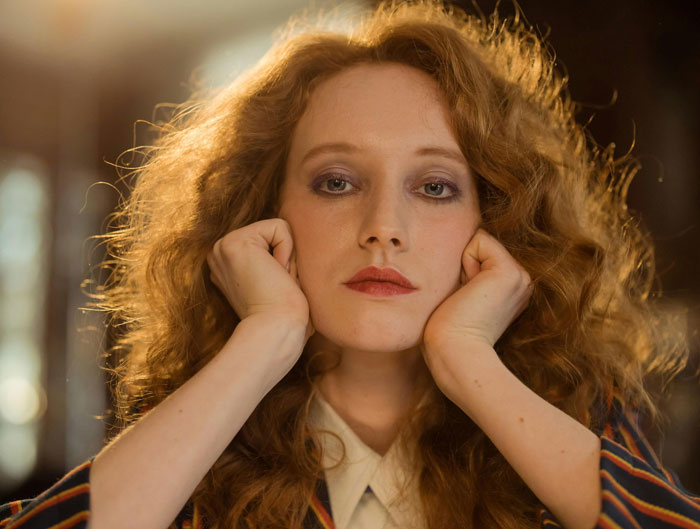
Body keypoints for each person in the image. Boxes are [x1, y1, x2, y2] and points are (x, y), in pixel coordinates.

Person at [2, 1, 699, 528]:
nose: (383, 229)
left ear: (493, 222)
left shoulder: (580, 417)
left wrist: (470, 363)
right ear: (266, 214)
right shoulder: (199, 438)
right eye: (336, 181)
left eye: (434, 187)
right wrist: (265, 337)